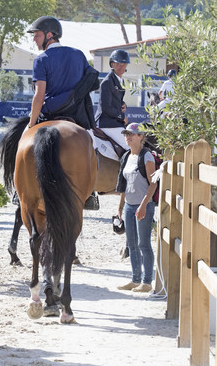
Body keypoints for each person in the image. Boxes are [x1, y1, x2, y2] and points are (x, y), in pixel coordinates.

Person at [25, 16, 101, 209]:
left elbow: (39, 96)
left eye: (38, 35)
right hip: (78, 118)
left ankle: (21, 192)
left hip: (49, 115)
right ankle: (91, 193)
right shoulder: (78, 55)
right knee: (93, 149)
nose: (34, 39)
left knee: (23, 144)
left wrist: (31, 123)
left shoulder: (41, 60)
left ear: (50, 35)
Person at [115, 122, 157, 293]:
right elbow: (124, 185)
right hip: (129, 207)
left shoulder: (146, 156)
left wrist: (143, 205)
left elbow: (153, 184)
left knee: (143, 244)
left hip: (143, 206)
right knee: (131, 244)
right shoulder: (126, 157)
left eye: (131, 134)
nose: (128, 137)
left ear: (141, 137)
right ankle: (135, 279)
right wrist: (120, 207)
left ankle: (147, 282)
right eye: (126, 134)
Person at [94, 49, 130, 161]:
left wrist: (123, 104)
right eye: (118, 64)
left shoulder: (119, 80)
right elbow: (106, 107)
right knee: (131, 146)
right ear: (112, 64)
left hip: (114, 122)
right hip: (107, 123)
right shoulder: (107, 82)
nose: (121, 67)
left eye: (123, 64)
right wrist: (122, 116)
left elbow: (116, 100)